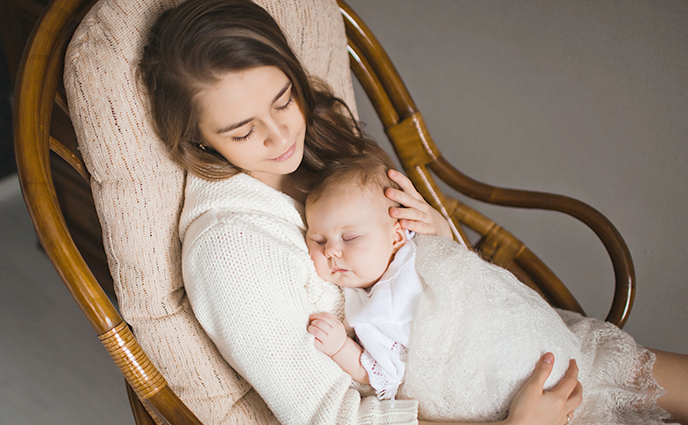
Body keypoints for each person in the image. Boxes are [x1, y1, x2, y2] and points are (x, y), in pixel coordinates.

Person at [137, 0, 687, 423]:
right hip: (462, 408)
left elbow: (437, 274)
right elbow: (329, 417)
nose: (282, 134)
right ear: (200, 140)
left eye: (283, 99)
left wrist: (432, 235)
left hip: (508, 341)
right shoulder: (232, 249)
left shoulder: (317, 147)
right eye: (242, 130)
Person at [304, 155, 682, 423]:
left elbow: (473, 280)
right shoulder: (372, 311)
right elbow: (380, 376)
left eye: (348, 237)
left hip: (540, 338)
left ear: (398, 231)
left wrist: (441, 234)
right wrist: (341, 347)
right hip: (497, 396)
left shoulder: (417, 247)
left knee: (626, 375)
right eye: (317, 240)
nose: (331, 251)